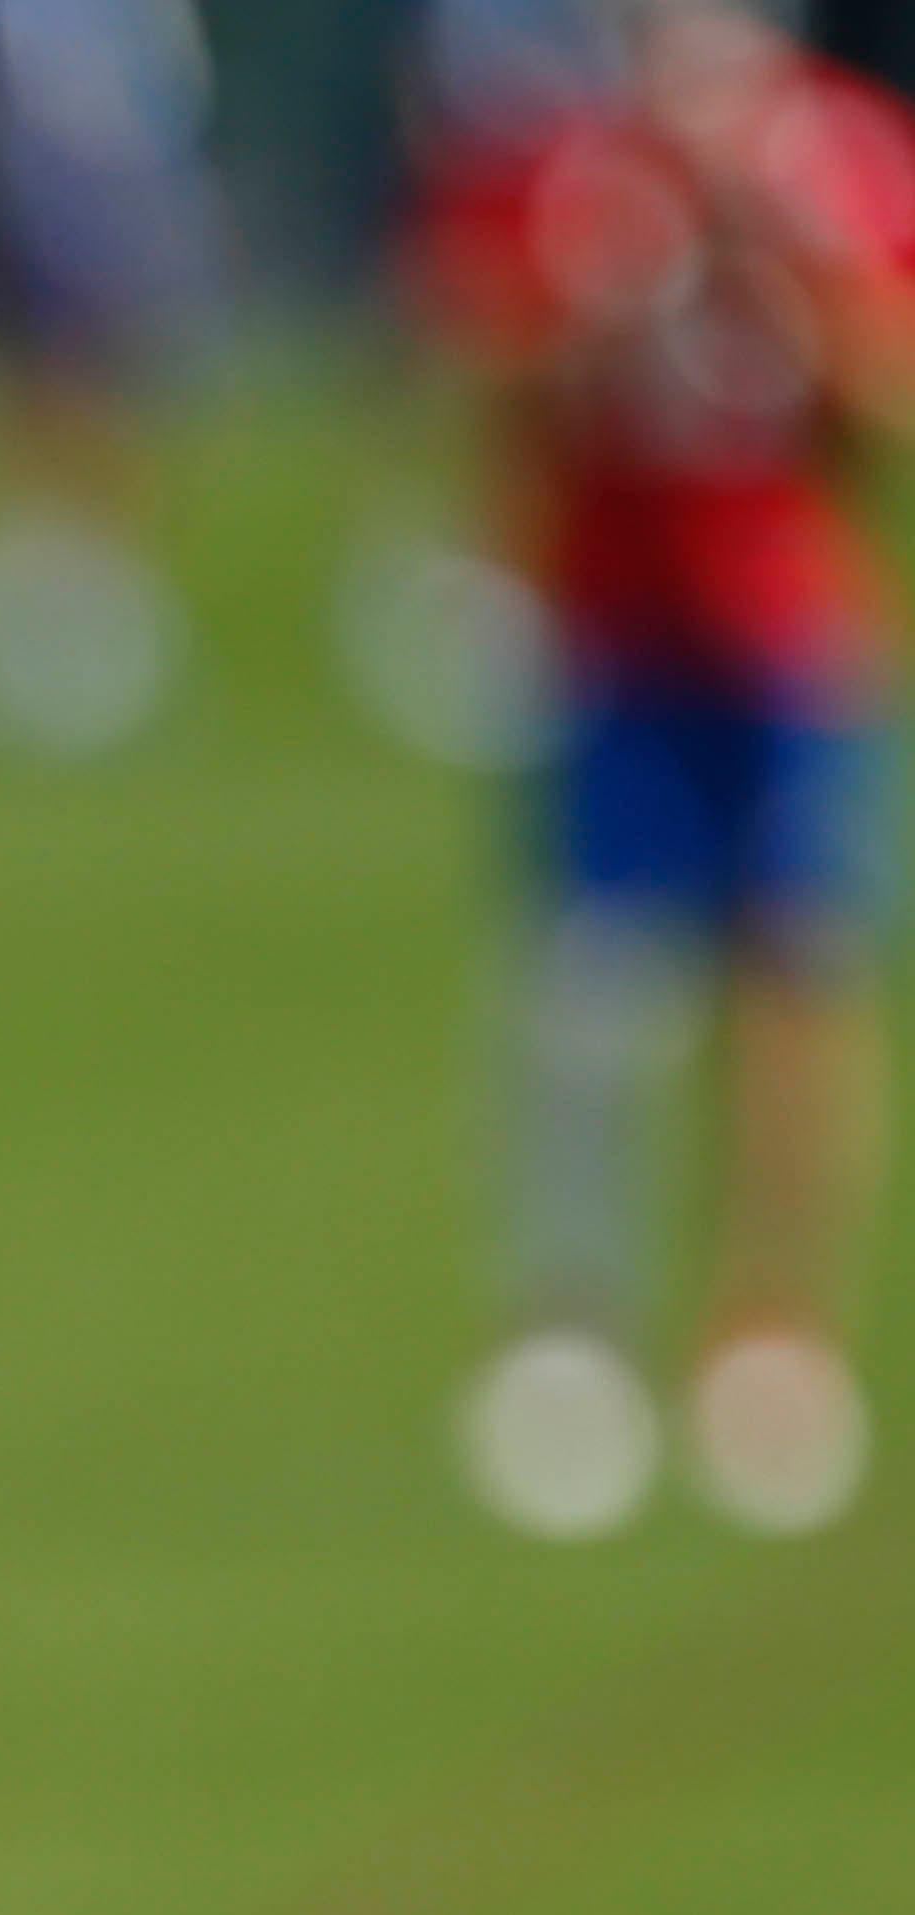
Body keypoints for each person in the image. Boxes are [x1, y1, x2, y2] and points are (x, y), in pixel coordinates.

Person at [420, 0, 915, 1535]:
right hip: (615, 635)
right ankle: (573, 1322)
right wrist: (600, 302)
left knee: (797, 977)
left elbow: (886, 416)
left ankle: (774, 1327)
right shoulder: (567, 169)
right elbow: (480, 390)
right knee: (593, 986)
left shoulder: (848, 155)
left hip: (786, 635)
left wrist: (791, 265)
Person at [0, 0, 228, 751]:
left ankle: (112, 586)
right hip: (38, 168)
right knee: (43, 381)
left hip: (125, 167)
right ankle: (33, 584)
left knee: (128, 381)